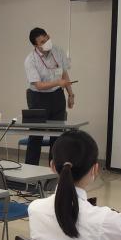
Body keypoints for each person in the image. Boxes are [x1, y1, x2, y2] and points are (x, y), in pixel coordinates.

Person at [23, 27, 74, 166]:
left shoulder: (58, 51)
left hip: (57, 95)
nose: (46, 42)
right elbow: (38, 85)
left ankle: (55, 168)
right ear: (36, 45)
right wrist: (57, 82)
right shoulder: (30, 60)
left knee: (57, 135)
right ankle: (31, 169)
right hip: (37, 97)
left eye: (46, 38)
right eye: (42, 42)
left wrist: (71, 94)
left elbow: (64, 74)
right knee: (36, 135)